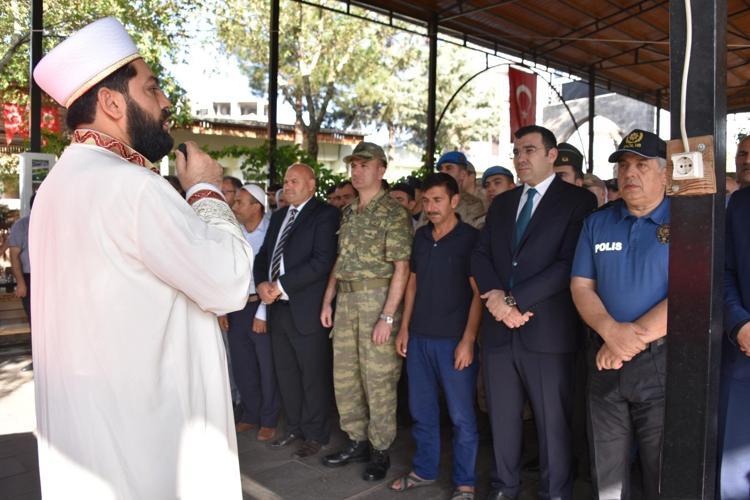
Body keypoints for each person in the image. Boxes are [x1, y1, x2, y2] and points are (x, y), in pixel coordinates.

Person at [30, 18, 252, 499]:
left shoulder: (54, 188)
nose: (166, 101)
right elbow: (231, 283)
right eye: (152, 88)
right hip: (149, 444)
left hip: (89, 436)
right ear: (112, 103)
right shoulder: (133, 186)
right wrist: (206, 189)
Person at [472, 125, 597, 500]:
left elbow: (568, 264)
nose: (520, 158)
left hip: (547, 332)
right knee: (502, 418)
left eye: (529, 150)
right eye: (516, 152)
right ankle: (504, 487)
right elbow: (479, 255)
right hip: (499, 330)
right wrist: (497, 299)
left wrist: (514, 301)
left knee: (552, 423)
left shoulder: (577, 201)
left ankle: (554, 492)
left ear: (551, 155)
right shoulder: (503, 203)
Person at [570, 129, 669, 500]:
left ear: (665, 173)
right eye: (624, 165)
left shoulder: (689, 220)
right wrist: (611, 333)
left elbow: (692, 294)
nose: (630, 173)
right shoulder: (598, 222)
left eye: (641, 165)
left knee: (663, 467)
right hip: (604, 357)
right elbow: (581, 286)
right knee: (607, 470)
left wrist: (627, 342)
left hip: (662, 361)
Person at [320, 141, 412, 481]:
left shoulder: (393, 212)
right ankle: (357, 440)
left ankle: (380, 449)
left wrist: (387, 316)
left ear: (381, 170)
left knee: (378, 379)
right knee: (345, 376)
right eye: (354, 166)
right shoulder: (349, 211)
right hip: (346, 301)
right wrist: (328, 298)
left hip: (377, 300)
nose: (357, 172)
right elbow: (341, 259)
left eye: (364, 165)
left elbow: (402, 267)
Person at [391, 173, 481, 499]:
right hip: (419, 338)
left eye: (438, 200)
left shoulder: (471, 239)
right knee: (422, 411)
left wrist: (468, 340)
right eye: (426, 200)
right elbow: (412, 284)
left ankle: (465, 482)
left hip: (453, 341)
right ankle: (424, 470)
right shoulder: (421, 236)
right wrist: (405, 328)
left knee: (461, 416)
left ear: (454, 201)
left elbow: (478, 294)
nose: (431, 207)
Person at [255, 164, 340, 459]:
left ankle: (316, 434)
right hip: (278, 309)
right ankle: (294, 427)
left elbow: (322, 261)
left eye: (294, 181)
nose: (287, 186)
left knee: (313, 375)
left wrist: (280, 285)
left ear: (311, 185)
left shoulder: (325, 214)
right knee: (286, 373)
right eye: (286, 181)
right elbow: (264, 256)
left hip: (307, 309)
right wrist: (262, 283)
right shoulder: (280, 216)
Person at [220, 184, 279, 440]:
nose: (235, 207)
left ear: (256, 206)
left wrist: (263, 312)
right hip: (237, 306)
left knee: (266, 366)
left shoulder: (271, 231)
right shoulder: (233, 232)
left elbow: (274, 273)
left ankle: (269, 419)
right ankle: (250, 414)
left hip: (262, 305)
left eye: (240, 202)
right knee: (242, 364)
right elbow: (225, 270)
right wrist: (222, 308)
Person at [720, 173, 750, 499]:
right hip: (743, 351)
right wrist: (739, 323)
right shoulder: (740, 204)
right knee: (733, 479)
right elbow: (724, 272)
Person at [433, 151, 486, 228]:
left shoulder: (473, 205)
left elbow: (468, 232)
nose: (443, 172)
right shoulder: (431, 201)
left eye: (449, 168)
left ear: (462, 174)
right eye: (441, 169)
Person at [9, 193, 34, 324]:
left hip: (51, 277)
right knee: (34, 319)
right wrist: (20, 283)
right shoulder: (22, 225)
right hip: (29, 278)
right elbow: (14, 256)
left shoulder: (54, 225)